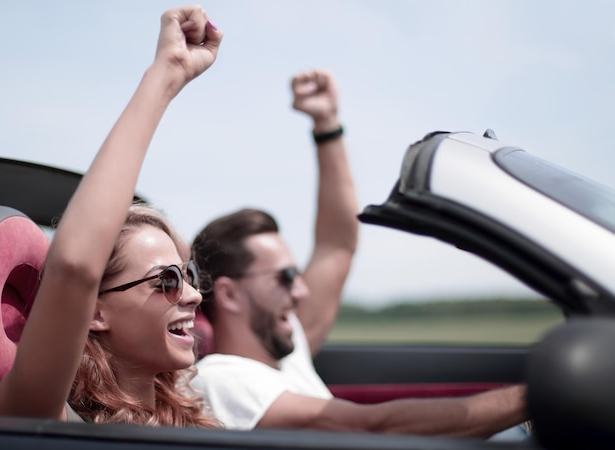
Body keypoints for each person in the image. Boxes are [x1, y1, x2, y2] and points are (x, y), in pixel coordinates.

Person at [189, 70, 528, 437]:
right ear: (228, 294)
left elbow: (337, 245)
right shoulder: (221, 380)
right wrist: (540, 397)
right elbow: (370, 427)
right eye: (286, 277)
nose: (300, 290)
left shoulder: (288, 346)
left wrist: (326, 125)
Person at [0, 5, 224, 427]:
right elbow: (76, 266)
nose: (192, 295)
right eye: (166, 280)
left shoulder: (196, 415)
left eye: (186, 275)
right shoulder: (46, 416)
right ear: (94, 312)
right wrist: (167, 74)